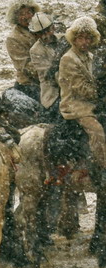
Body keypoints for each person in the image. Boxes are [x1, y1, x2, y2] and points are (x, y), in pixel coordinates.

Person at [58, 17, 106, 181]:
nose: (85, 42)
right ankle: (103, 166)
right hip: (75, 106)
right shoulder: (68, 59)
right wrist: (101, 93)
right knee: (97, 131)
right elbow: (80, 87)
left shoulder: (90, 57)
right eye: (81, 37)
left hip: (91, 103)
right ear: (74, 38)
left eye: (88, 38)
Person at [29, 12, 69, 122]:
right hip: (53, 94)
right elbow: (50, 76)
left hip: (71, 84)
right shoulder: (35, 51)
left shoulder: (64, 39)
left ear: (53, 28)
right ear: (35, 35)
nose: (45, 36)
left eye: (47, 31)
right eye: (40, 33)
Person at [5, 0, 41, 102]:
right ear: (15, 17)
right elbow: (27, 67)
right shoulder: (13, 39)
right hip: (29, 84)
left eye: (29, 12)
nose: (26, 17)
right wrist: (51, 72)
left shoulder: (41, 30)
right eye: (21, 14)